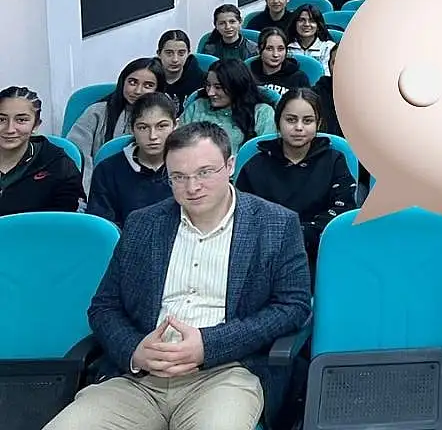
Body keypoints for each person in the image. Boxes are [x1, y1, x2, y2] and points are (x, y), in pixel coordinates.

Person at [43, 121, 311, 430]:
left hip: (225, 374)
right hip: (139, 379)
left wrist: (210, 345)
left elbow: (293, 307)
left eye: (204, 173)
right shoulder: (144, 224)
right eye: (179, 177)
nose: (192, 187)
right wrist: (135, 350)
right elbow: (104, 307)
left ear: (230, 166)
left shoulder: (275, 224)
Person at [235, 88, 357, 273]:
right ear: (278, 122)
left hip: (319, 253)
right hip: (265, 254)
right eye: (291, 120)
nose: (299, 127)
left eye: (307, 121)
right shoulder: (255, 165)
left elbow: (343, 210)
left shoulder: (334, 161)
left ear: (318, 123)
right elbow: (243, 214)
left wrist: (301, 234)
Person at [68, 57, 165, 195]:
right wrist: (92, 194)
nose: (138, 91)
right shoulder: (96, 112)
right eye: (132, 82)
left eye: (148, 85)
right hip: (94, 189)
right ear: (122, 82)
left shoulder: (163, 120)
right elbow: (78, 158)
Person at [86, 92, 178, 228]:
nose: (153, 136)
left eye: (162, 126)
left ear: (175, 126)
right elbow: (103, 227)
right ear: (132, 129)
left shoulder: (188, 167)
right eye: (143, 127)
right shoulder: (107, 170)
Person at [0, 86, 82, 216]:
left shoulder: (58, 165)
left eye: (21, 120)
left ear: (36, 125)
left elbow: (66, 219)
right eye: (1, 120)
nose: (10, 129)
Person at [179, 59, 276, 154]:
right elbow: (179, 143)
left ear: (237, 86)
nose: (210, 93)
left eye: (218, 87)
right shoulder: (198, 105)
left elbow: (264, 153)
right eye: (208, 85)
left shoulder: (261, 113)